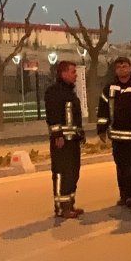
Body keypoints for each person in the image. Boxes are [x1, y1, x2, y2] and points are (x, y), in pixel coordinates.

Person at [96, 56, 131, 207]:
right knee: (120, 167)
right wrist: (101, 129)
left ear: (130, 68)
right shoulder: (109, 88)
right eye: (119, 67)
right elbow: (103, 110)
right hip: (117, 135)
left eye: (125, 66)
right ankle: (124, 195)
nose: (122, 69)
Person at [44, 60, 85, 219]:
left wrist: (80, 134)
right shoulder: (54, 92)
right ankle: (61, 208)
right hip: (62, 142)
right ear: (64, 73)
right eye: (73, 72)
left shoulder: (69, 92)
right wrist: (57, 135)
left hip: (72, 140)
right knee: (61, 173)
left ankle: (70, 204)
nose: (76, 75)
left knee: (73, 173)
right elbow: (53, 116)